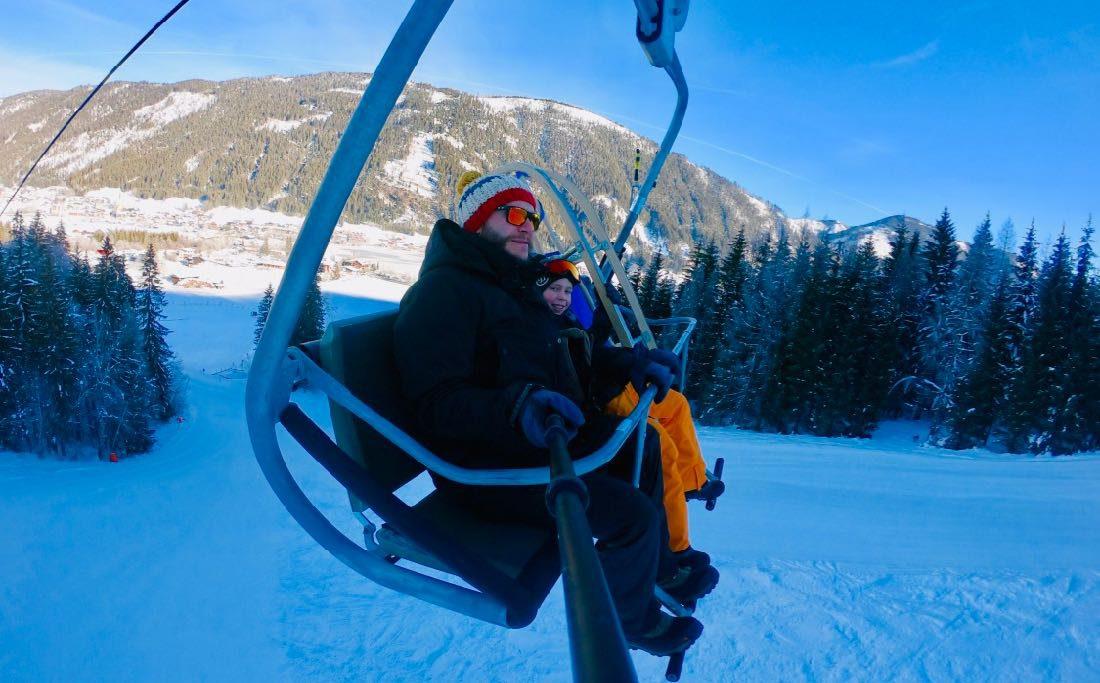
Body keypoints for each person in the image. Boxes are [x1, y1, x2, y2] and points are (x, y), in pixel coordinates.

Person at [393, 170, 703, 655]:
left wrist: (632, 364)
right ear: (476, 221)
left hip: (537, 441)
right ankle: (632, 622)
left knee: (643, 453)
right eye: (513, 214)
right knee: (631, 515)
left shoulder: (511, 288)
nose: (527, 226)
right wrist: (517, 406)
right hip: (484, 468)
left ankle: (659, 568)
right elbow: (435, 406)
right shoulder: (443, 293)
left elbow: (571, 349)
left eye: (533, 218)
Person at [537, 260, 720, 572]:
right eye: (554, 289)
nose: (562, 297)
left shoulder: (564, 319)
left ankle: (693, 481)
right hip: (594, 402)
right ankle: (676, 546)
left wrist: (627, 351)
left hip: (606, 385)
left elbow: (591, 351)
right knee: (659, 443)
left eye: (567, 291)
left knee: (676, 404)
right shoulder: (536, 326)